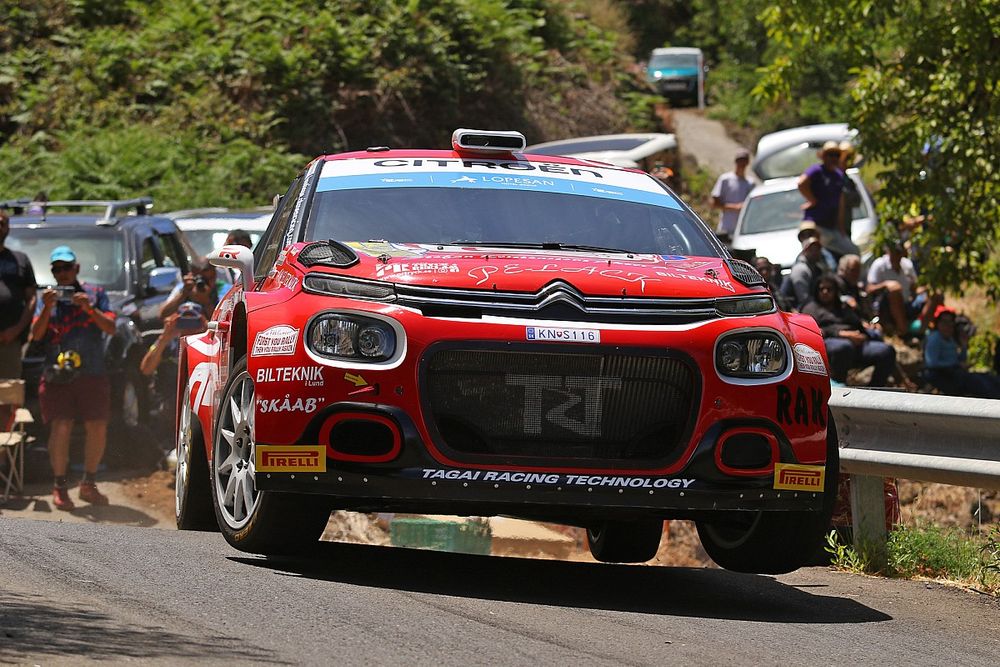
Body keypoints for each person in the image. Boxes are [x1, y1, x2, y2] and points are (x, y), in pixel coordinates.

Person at [29, 245, 117, 510]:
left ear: (76, 268)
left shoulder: (95, 294)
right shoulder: (46, 297)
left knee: (97, 426)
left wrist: (89, 308)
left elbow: (111, 328)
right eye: (57, 269)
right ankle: (60, 486)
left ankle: (88, 483)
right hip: (57, 372)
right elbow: (35, 335)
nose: (63, 273)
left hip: (92, 370)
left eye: (67, 267)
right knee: (61, 426)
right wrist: (46, 307)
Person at [801, 273, 896, 387]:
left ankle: (875, 388)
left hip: (857, 344)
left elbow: (856, 323)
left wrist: (864, 333)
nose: (825, 292)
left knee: (886, 351)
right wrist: (842, 335)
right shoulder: (811, 308)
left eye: (829, 289)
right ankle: (839, 388)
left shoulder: (843, 307)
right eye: (822, 289)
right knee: (844, 347)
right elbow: (812, 331)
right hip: (831, 343)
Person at [141, 304, 208, 447]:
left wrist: (208, 331)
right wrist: (165, 338)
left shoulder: (210, 343)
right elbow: (146, 369)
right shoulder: (168, 344)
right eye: (183, 321)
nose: (189, 327)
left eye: (193, 321)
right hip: (169, 404)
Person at [866, 239, 941, 339]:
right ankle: (903, 331)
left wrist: (928, 289)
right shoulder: (879, 265)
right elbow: (869, 289)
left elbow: (914, 289)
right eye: (894, 252)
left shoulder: (907, 265)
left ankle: (920, 331)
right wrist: (886, 284)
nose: (896, 256)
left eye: (898, 252)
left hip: (907, 303)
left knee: (936, 295)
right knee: (895, 290)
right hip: (886, 307)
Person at [797, 141, 859, 258]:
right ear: (824, 156)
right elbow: (801, 183)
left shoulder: (838, 175)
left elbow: (841, 201)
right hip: (815, 225)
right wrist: (812, 200)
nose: (833, 158)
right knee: (815, 255)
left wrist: (841, 227)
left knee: (853, 252)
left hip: (831, 227)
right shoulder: (817, 170)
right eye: (830, 155)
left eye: (836, 155)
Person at [923, 306, 1000, 399]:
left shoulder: (950, 339)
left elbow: (960, 359)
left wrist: (964, 346)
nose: (948, 326)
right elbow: (932, 363)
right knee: (979, 382)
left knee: (989, 377)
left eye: (950, 323)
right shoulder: (935, 339)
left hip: (955, 373)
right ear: (938, 323)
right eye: (944, 322)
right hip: (943, 375)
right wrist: (957, 364)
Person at [0, 208, 38, 380]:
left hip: (10, 341)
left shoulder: (20, 260)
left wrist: (16, 330)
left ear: (8, 228)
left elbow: (31, 298)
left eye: (2, 224)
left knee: (10, 393)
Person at [710, 148, 754, 243]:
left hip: (743, 230)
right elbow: (715, 203)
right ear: (736, 162)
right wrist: (736, 207)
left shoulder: (750, 183)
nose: (741, 164)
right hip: (726, 228)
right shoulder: (725, 179)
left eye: (744, 161)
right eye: (739, 161)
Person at [780, 227, 828, 311]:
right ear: (805, 251)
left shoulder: (817, 267)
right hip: (796, 309)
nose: (815, 252)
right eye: (812, 250)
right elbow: (803, 299)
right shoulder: (801, 269)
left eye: (817, 249)